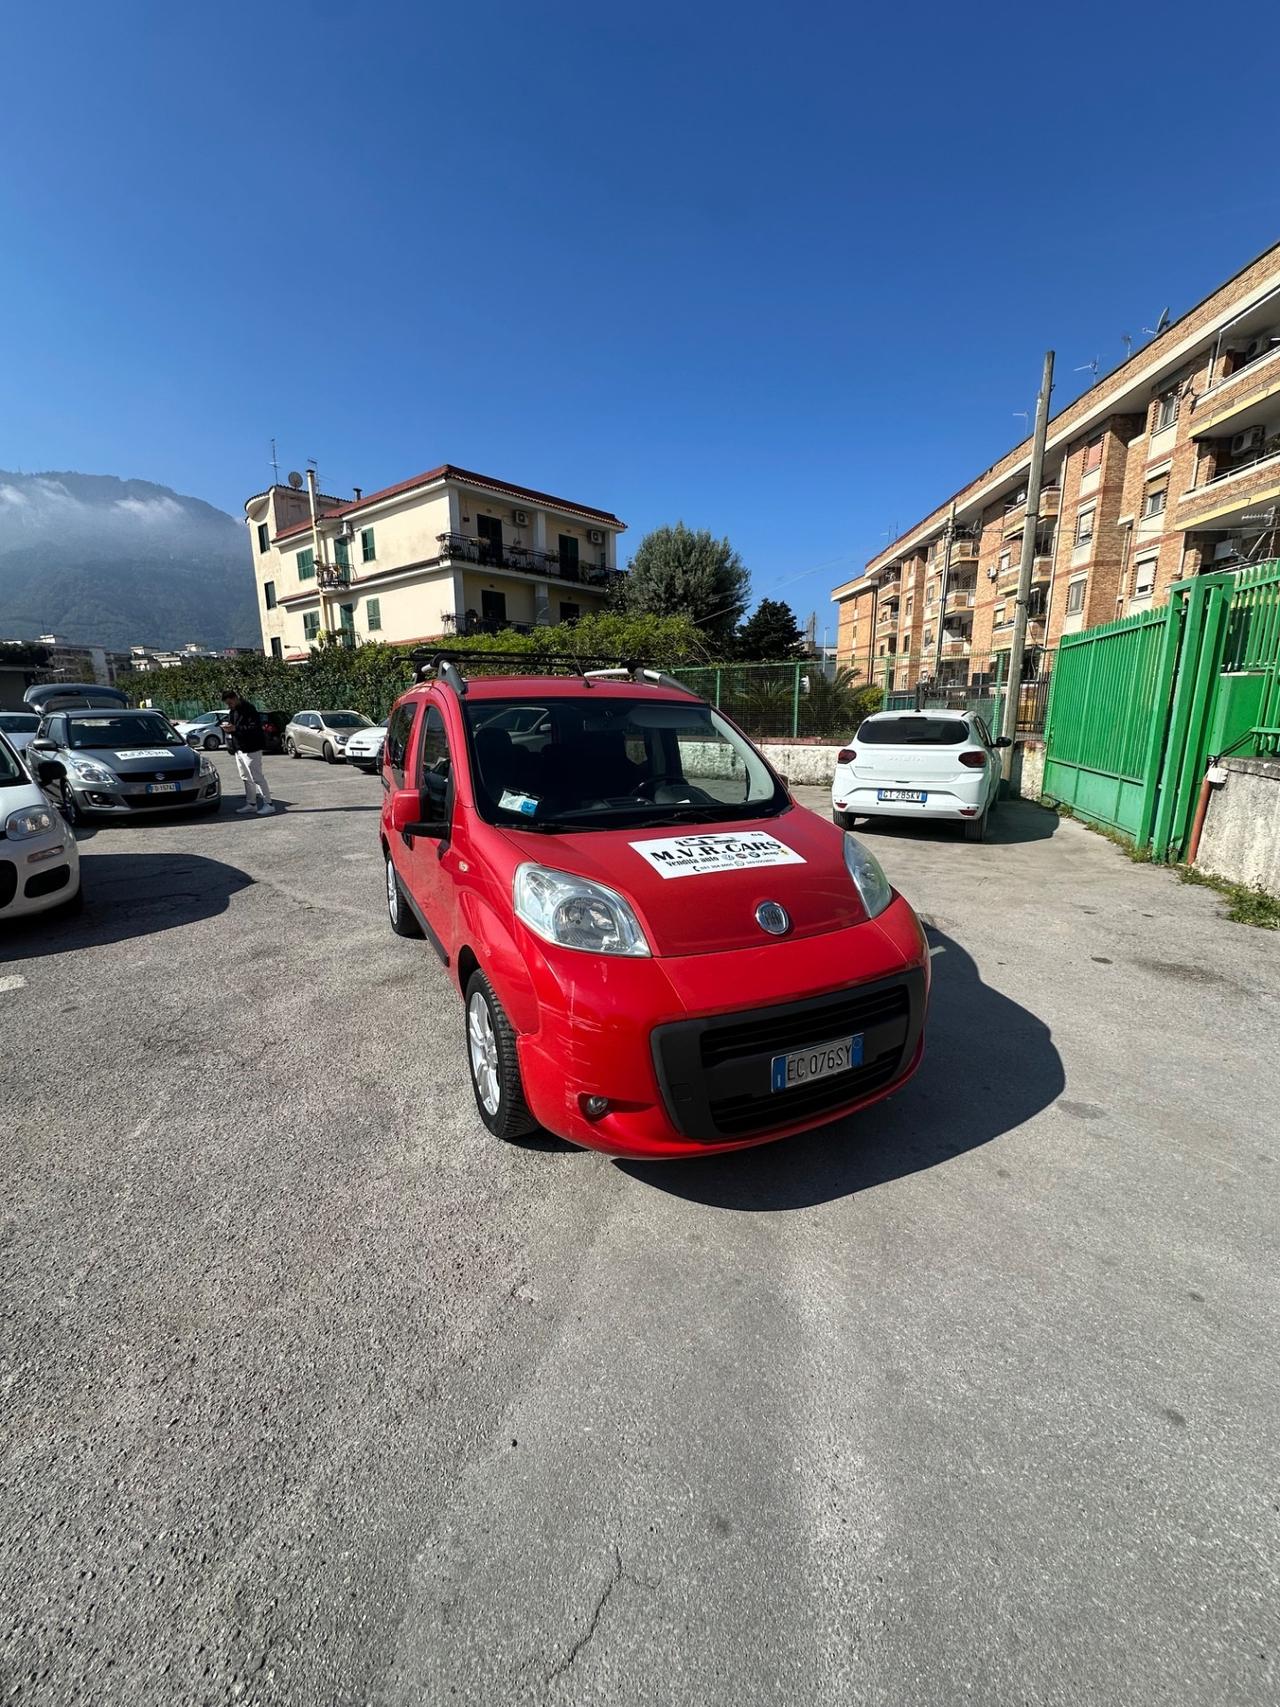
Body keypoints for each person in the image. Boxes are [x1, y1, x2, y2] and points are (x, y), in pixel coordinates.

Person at [224, 691, 274, 816]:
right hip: (239, 748)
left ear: (235, 698)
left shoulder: (249, 710)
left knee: (257, 776)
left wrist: (236, 728)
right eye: (227, 704)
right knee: (245, 777)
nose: (229, 706)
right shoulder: (233, 711)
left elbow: (255, 728)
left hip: (252, 748)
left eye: (230, 703)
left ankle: (269, 804)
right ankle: (251, 804)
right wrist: (228, 727)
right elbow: (233, 725)